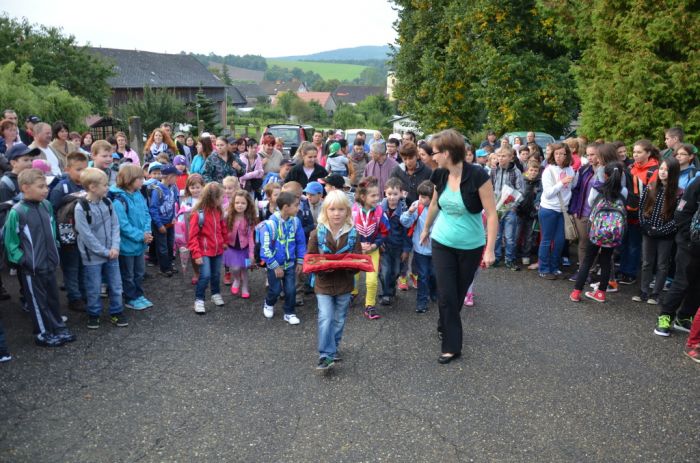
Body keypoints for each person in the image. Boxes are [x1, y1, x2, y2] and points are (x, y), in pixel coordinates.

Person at [421, 129, 497, 364]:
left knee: (458, 294)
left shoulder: (477, 176)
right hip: (442, 241)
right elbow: (434, 204)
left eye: (435, 153)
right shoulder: (439, 175)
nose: (433, 158)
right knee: (446, 294)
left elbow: (492, 214)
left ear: (447, 152)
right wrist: (426, 228)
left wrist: (491, 249)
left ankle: (445, 323)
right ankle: (452, 347)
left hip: (471, 245)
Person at [4, 168, 76, 346]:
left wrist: (55, 249)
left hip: (50, 263)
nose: (46, 190)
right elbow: (10, 241)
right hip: (32, 267)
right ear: (25, 188)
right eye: (41, 186)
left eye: (46, 186)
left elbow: (52, 231)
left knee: (52, 297)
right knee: (37, 301)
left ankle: (58, 327)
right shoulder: (17, 211)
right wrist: (23, 260)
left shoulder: (46, 205)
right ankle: (42, 333)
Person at [307, 190, 362, 370]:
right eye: (332, 209)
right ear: (325, 211)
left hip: (345, 284)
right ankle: (326, 355)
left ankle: (334, 348)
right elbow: (310, 259)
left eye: (340, 209)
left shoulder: (353, 234)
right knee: (326, 317)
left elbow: (358, 260)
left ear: (347, 211)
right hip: (323, 284)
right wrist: (322, 269)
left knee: (339, 319)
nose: (336, 213)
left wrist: (348, 266)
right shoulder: (317, 234)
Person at [73, 167, 127, 329]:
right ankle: (94, 313)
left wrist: (115, 246)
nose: (108, 187)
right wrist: (105, 251)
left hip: (112, 252)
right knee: (94, 287)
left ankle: (116, 312)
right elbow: (86, 236)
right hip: (93, 257)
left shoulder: (107, 202)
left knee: (116, 285)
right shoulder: (80, 208)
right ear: (92, 187)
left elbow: (115, 225)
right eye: (104, 185)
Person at [569, 162, 626, 303]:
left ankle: (576, 292)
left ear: (605, 175)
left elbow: (589, 203)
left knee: (588, 260)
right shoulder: (623, 191)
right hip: (613, 233)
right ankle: (601, 293)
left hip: (596, 231)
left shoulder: (597, 189)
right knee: (606, 260)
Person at [636, 157, 681, 304]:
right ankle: (643, 290)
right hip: (648, 231)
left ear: (673, 173)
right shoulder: (651, 187)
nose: (662, 172)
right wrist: (646, 226)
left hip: (665, 235)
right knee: (646, 262)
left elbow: (678, 218)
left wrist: (662, 230)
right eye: (661, 169)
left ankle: (656, 293)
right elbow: (641, 208)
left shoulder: (679, 193)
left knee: (662, 264)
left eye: (667, 170)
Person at [110, 164, 154, 311]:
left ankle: (138, 294)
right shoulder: (118, 200)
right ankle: (130, 298)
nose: (143, 180)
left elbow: (146, 213)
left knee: (139, 272)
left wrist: (147, 232)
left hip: (140, 243)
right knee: (128, 274)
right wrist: (141, 236)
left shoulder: (138, 194)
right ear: (130, 179)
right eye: (140, 178)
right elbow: (123, 225)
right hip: (127, 246)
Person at [259, 191, 306, 324]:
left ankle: (289, 313)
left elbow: (301, 242)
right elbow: (265, 249)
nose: (298, 208)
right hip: (274, 266)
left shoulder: (296, 222)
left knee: (291, 290)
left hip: (290, 264)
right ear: (286, 207)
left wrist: (300, 260)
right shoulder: (269, 225)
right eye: (296, 205)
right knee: (275, 290)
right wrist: (274, 266)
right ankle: (269, 303)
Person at [50, 151, 88, 312]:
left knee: (82, 264)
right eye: (78, 169)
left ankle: (83, 292)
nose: (82, 173)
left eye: (85, 169)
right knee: (71, 266)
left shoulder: (87, 184)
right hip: (67, 234)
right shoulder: (62, 188)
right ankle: (74, 297)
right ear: (67, 169)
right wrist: (59, 237)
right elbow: (53, 211)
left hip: (84, 233)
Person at [618, 140, 660, 285]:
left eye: (639, 152)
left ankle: (630, 273)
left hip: (641, 213)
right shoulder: (631, 168)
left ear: (648, 153)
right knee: (624, 242)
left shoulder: (654, 171)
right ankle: (623, 269)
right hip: (627, 211)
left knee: (634, 244)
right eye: (634, 152)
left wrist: (646, 213)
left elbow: (653, 196)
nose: (635, 155)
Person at [352, 176, 390, 320]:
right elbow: (348, 230)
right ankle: (352, 293)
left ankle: (370, 305)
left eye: (378, 194)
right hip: (356, 251)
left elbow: (385, 231)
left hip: (373, 250)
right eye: (373, 195)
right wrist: (358, 244)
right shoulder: (353, 211)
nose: (377, 198)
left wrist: (375, 244)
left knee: (372, 280)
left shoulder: (379, 211)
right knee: (353, 276)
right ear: (363, 196)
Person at [538, 143, 577, 280]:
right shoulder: (548, 170)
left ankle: (554, 267)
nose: (559, 157)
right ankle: (543, 269)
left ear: (567, 155)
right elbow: (548, 193)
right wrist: (562, 182)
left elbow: (573, 188)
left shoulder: (570, 170)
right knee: (546, 240)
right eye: (557, 154)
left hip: (563, 210)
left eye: (562, 154)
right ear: (553, 155)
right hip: (548, 209)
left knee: (560, 240)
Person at [188, 182, 228, 314]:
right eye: (221, 197)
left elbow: (223, 227)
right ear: (213, 198)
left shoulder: (218, 210)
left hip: (217, 249)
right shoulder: (198, 213)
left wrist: (224, 241)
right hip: (203, 251)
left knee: (216, 274)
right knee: (205, 275)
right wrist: (196, 254)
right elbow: (192, 236)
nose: (223, 199)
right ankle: (199, 300)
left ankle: (215, 294)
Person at [401, 180, 438, 313]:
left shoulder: (440, 208)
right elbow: (405, 223)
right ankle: (422, 302)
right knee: (423, 275)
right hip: (420, 248)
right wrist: (409, 212)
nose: (420, 199)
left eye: (424, 197)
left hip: (436, 249)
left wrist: (429, 233)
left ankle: (434, 292)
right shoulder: (417, 206)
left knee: (434, 274)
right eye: (419, 196)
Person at [378, 177, 411, 307]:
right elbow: (377, 228)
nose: (392, 197)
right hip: (384, 246)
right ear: (385, 192)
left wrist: (406, 249)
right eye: (389, 194)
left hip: (398, 246)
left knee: (396, 271)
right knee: (385, 270)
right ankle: (385, 294)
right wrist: (379, 243)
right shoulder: (380, 209)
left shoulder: (403, 210)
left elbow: (407, 231)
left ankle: (391, 290)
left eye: (395, 194)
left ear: (401, 193)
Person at [568, 143, 599, 277]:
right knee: (583, 243)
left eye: (593, 154)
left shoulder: (606, 170)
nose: (590, 157)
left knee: (595, 245)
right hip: (582, 213)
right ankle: (583, 272)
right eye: (588, 154)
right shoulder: (584, 170)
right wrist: (574, 209)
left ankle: (591, 270)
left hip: (598, 215)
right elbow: (576, 190)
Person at [492, 147, 524, 270]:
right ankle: (496, 257)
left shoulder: (516, 172)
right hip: (496, 208)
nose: (500, 158)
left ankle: (510, 259)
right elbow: (490, 187)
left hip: (510, 209)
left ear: (511, 157)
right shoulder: (494, 171)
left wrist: (513, 205)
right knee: (497, 235)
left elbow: (520, 191)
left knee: (510, 236)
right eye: (499, 156)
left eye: (504, 156)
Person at [224, 190, 257, 299]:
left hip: (245, 249)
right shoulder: (228, 216)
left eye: (243, 203)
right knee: (235, 268)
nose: (240, 205)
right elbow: (222, 231)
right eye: (237, 202)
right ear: (233, 203)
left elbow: (251, 237)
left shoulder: (249, 218)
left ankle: (245, 287)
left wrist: (252, 254)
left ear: (248, 205)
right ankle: (237, 279)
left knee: (245, 268)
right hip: (232, 248)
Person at [149, 165, 180, 277]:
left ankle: (169, 265)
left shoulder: (172, 188)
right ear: (169, 177)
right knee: (162, 247)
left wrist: (173, 217)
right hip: (161, 224)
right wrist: (159, 224)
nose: (177, 179)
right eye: (175, 176)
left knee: (170, 244)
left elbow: (173, 204)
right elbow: (153, 209)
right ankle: (164, 268)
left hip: (170, 222)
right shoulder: (158, 190)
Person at [175, 174, 204, 284]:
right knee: (193, 253)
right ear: (188, 188)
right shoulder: (186, 200)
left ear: (202, 187)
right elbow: (181, 215)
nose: (195, 190)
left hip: (205, 231)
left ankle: (205, 272)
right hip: (191, 232)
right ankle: (197, 272)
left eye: (198, 187)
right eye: (192, 187)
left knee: (205, 252)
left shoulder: (205, 199)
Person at [515, 159, 542, 267]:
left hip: (532, 213)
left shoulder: (540, 183)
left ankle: (526, 255)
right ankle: (513, 253)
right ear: (527, 170)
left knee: (529, 236)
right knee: (516, 234)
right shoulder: (522, 180)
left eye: (536, 171)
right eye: (531, 170)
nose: (533, 172)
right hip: (520, 212)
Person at [391, 141, 433, 206]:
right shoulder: (397, 171)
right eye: (405, 159)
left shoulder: (427, 171)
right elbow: (390, 189)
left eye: (410, 158)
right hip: (401, 209)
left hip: (422, 209)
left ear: (416, 156)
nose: (408, 162)